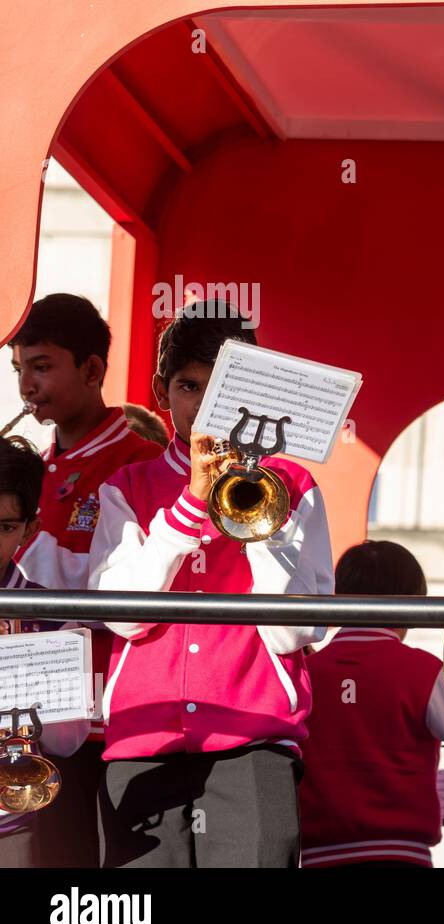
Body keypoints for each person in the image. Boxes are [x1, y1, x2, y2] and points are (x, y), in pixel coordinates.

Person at [87, 299, 334, 868]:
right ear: (160, 391)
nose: (206, 408)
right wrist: (191, 504)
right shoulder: (125, 486)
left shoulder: (293, 484)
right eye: (189, 387)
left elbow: (295, 632)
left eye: (224, 388)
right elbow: (125, 617)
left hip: (255, 738)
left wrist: (256, 521)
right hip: (142, 736)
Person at [9, 293, 161, 867]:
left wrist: (16, 536)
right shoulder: (34, 465)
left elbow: (112, 589)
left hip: (103, 717)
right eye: (19, 369)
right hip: (31, 712)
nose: (26, 385)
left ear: (93, 370)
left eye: (41, 366)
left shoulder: (141, 461)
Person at [298, 540, 444, 868]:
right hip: (401, 855)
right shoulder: (421, 671)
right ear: (411, 602)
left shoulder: (304, 674)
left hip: (317, 857)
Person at [0, 437, 90, 866]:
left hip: (10, 825)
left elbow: (69, 742)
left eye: (4, 527)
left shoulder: (54, 615)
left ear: (29, 530)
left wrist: (25, 680)